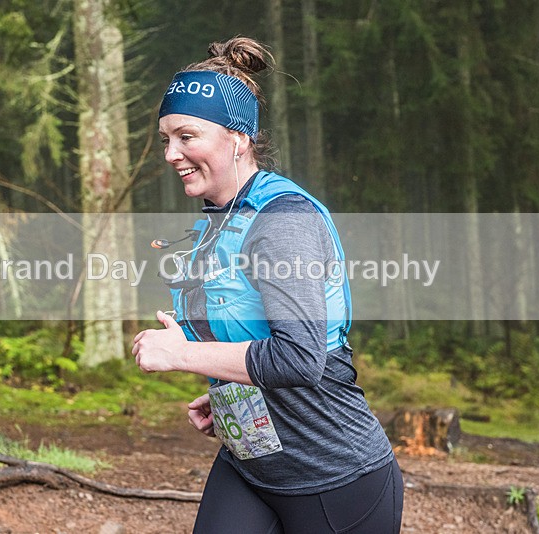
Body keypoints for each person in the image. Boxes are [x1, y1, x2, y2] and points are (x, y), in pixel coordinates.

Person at [132, 37, 403, 534]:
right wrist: (228, 389)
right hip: (250, 465)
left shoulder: (282, 222)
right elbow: (249, 334)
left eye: (187, 136)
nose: (171, 154)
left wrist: (182, 354)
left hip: (334, 476)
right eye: (166, 138)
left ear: (238, 138)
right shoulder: (221, 220)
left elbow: (299, 358)